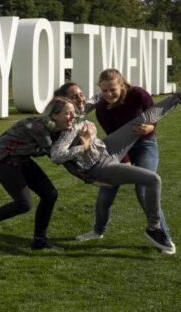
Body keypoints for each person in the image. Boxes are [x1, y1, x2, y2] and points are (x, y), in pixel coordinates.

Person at [50, 76, 181, 255]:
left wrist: (116, 88)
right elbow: (57, 155)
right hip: (100, 166)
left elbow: (98, 97)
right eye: (75, 97)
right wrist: (83, 147)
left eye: (81, 94)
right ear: (64, 102)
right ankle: (154, 228)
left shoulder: (81, 109)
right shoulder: (68, 127)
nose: (81, 98)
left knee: (141, 120)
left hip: (106, 148)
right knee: (153, 180)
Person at [67, 70, 169, 242]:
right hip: (119, 150)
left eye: (113, 89)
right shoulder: (102, 109)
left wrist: (151, 128)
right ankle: (98, 231)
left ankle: (161, 235)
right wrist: (125, 161)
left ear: (122, 85)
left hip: (145, 144)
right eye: (104, 91)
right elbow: (115, 138)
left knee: (144, 187)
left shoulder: (138, 94)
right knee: (106, 190)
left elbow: (154, 113)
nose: (108, 94)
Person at [0, 96, 76, 251]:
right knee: (24, 204)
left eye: (73, 113)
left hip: (21, 158)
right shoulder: (40, 127)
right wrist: (84, 150)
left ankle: (39, 240)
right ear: (54, 115)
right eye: (68, 113)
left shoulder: (56, 128)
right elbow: (56, 156)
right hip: (2, 160)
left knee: (50, 194)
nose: (73, 117)